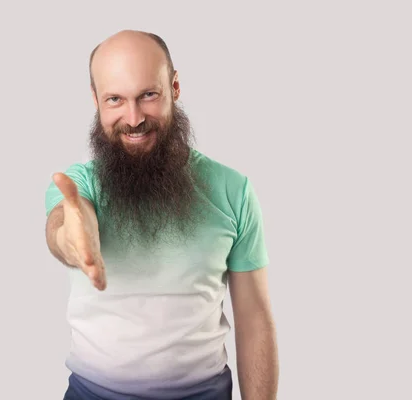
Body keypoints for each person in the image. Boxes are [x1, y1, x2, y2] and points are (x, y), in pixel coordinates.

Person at [44, 29, 279, 400]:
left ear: (175, 88)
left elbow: (254, 321)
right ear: (96, 100)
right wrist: (73, 242)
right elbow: (64, 224)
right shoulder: (77, 186)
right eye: (115, 99)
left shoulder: (233, 190)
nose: (134, 117)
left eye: (148, 95)